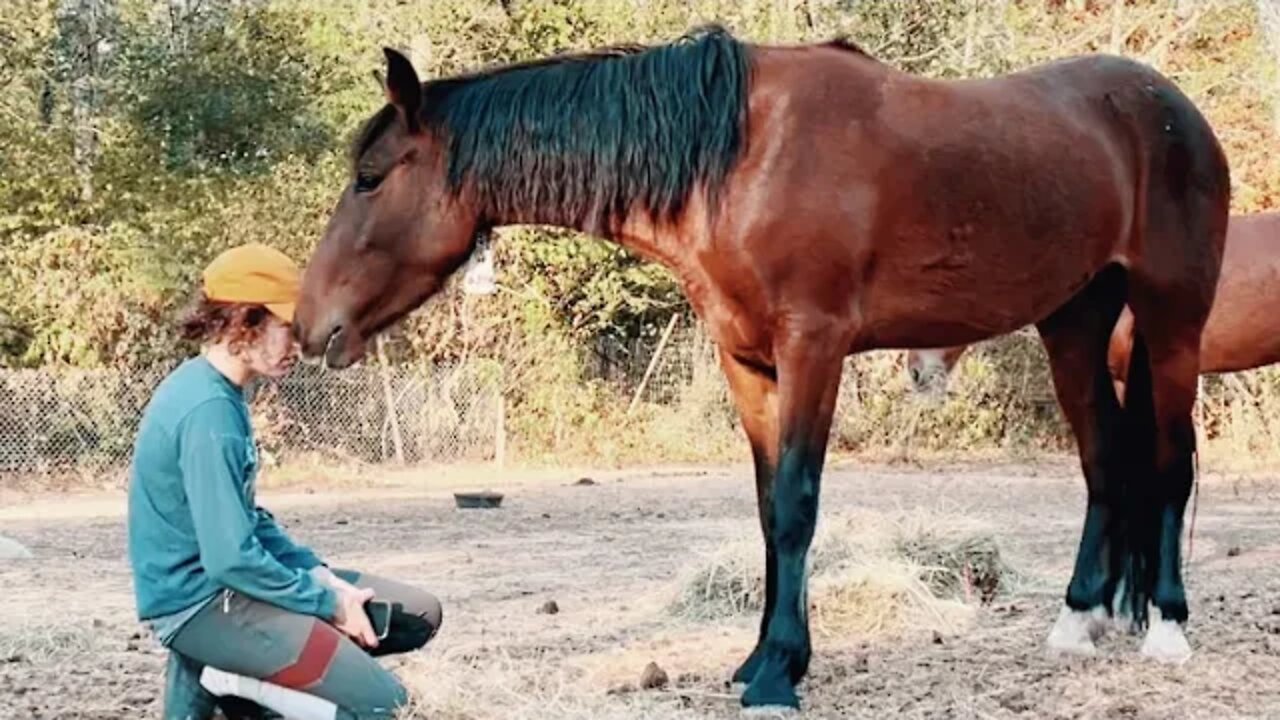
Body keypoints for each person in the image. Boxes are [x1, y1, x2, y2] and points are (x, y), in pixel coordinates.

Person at [126, 243, 442, 720]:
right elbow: (229, 557)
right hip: (202, 605)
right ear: (241, 322)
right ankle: (227, 678)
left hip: (231, 588)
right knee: (387, 707)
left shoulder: (221, 393)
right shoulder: (208, 413)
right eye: (289, 328)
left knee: (416, 614)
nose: (301, 344)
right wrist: (327, 602)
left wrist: (316, 572)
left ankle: (236, 679)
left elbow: (246, 521)